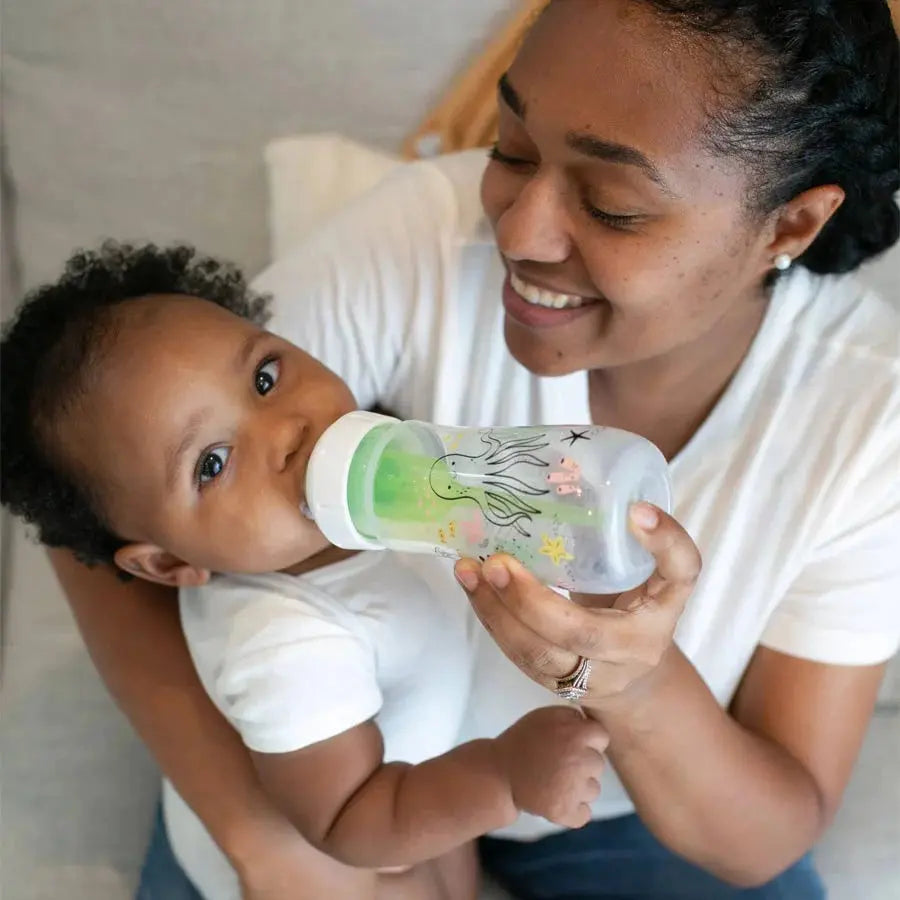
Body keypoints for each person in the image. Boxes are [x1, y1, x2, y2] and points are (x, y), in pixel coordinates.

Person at [37, 1, 900, 898]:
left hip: (604, 799)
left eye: (612, 205)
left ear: (789, 226)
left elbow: (765, 837)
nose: (517, 234)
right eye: (512, 148)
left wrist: (636, 689)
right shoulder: (423, 237)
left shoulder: (868, 417)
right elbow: (99, 480)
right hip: (321, 775)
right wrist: (276, 848)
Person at [0, 242, 614, 899]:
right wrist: (503, 776)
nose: (286, 430)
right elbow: (351, 818)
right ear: (171, 562)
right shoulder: (284, 645)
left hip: (417, 789)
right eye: (212, 462)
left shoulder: (383, 480)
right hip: (341, 853)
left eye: (265, 377)